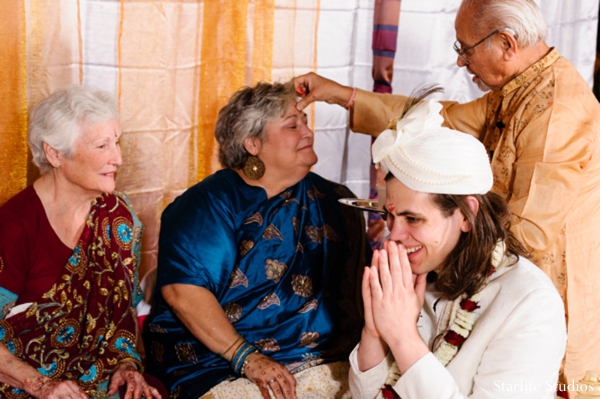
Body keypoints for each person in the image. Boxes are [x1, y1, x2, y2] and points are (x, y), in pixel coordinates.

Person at [293, 0, 600, 393]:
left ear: (506, 43)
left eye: (465, 48)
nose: (461, 63)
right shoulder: (519, 87)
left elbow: (530, 235)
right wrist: (344, 96)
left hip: (540, 296)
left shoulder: (559, 111)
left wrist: (433, 232)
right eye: (390, 218)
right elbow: (442, 119)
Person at [143, 81, 370, 399]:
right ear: (252, 144)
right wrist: (247, 358)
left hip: (328, 358)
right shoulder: (208, 205)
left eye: (305, 121)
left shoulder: (336, 200)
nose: (308, 133)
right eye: (292, 125)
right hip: (219, 363)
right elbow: (184, 292)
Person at [346, 96, 566, 398]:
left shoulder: (530, 304)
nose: (393, 235)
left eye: (413, 218)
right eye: (389, 216)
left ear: (466, 214)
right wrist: (374, 330)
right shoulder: (414, 277)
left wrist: (402, 337)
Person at [0, 86, 164, 398]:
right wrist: (40, 385)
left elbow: (123, 313)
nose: (117, 158)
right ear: (55, 153)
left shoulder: (119, 217)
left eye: (116, 142)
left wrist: (125, 367)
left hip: (98, 376)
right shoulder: (14, 226)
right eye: (102, 146)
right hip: (20, 382)